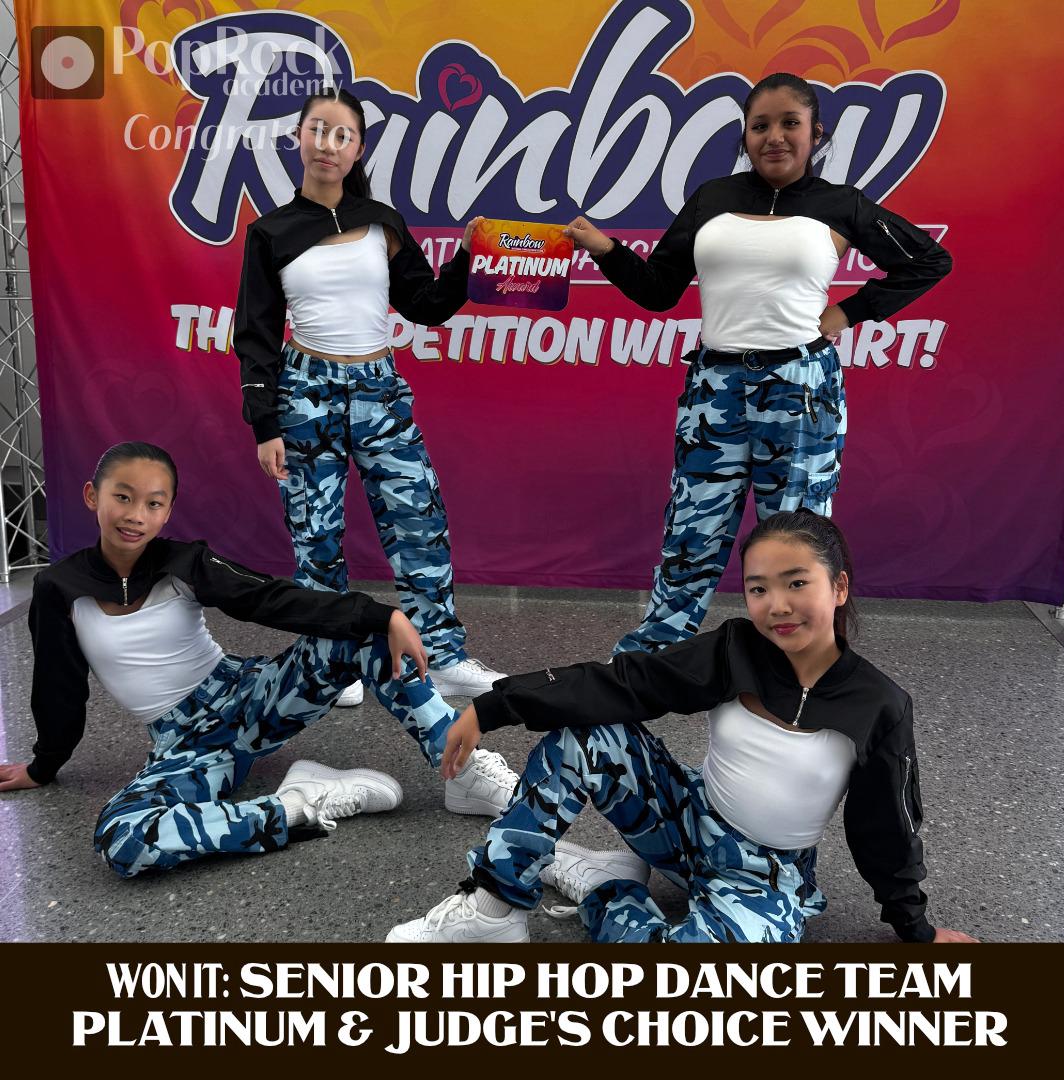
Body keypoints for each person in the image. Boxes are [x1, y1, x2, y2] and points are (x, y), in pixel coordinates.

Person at [387, 508, 976, 943]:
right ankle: (493, 908)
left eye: (797, 583)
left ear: (839, 586)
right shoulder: (735, 648)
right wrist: (494, 706)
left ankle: (605, 888)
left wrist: (916, 927)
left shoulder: (879, 705)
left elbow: (886, 827)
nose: (777, 605)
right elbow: (627, 682)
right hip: (685, 819)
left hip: (761, 877)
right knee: (586, 736)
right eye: (759, 588)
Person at [564, 72, 952, 656]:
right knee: (691, 533)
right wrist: (607, 250)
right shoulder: (712, 198)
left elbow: (928, 260)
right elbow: (657, 290)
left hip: (800, 388)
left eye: (790, 123)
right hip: (714, 386)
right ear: (745, 135)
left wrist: (849, 311)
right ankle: (652, 661)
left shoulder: (839, 205)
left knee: (796, 542)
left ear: (816, 133)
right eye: (759, 125)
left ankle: (799, 662)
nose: (775, 137)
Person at [0, 443, 517, 876]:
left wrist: (382, 615)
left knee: (368, 638)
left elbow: (271, 599)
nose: (136, 515)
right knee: (124, 839)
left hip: (248, 699)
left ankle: (464, 772)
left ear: (168, 511)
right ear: (93, 496)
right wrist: (45, 765)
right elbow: (58, 685)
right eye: (123, 497)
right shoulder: (58, 588)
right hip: (185, 745)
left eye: (154, 503)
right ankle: (297, 805)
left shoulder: (184, 562)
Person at [234, 85, 505, 706]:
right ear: (298, 137)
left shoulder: (382, 222)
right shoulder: (270, 232)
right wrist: (264, 424)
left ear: (357, 149)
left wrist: (464, 257)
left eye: (343, 135)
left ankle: (441, 655)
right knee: (316, 537)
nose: (327, 145)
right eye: (317, 130)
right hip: (305, 395)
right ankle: (333, 664)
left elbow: (426, 304)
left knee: (419, 522)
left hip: (379, 390)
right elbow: (255, 336)